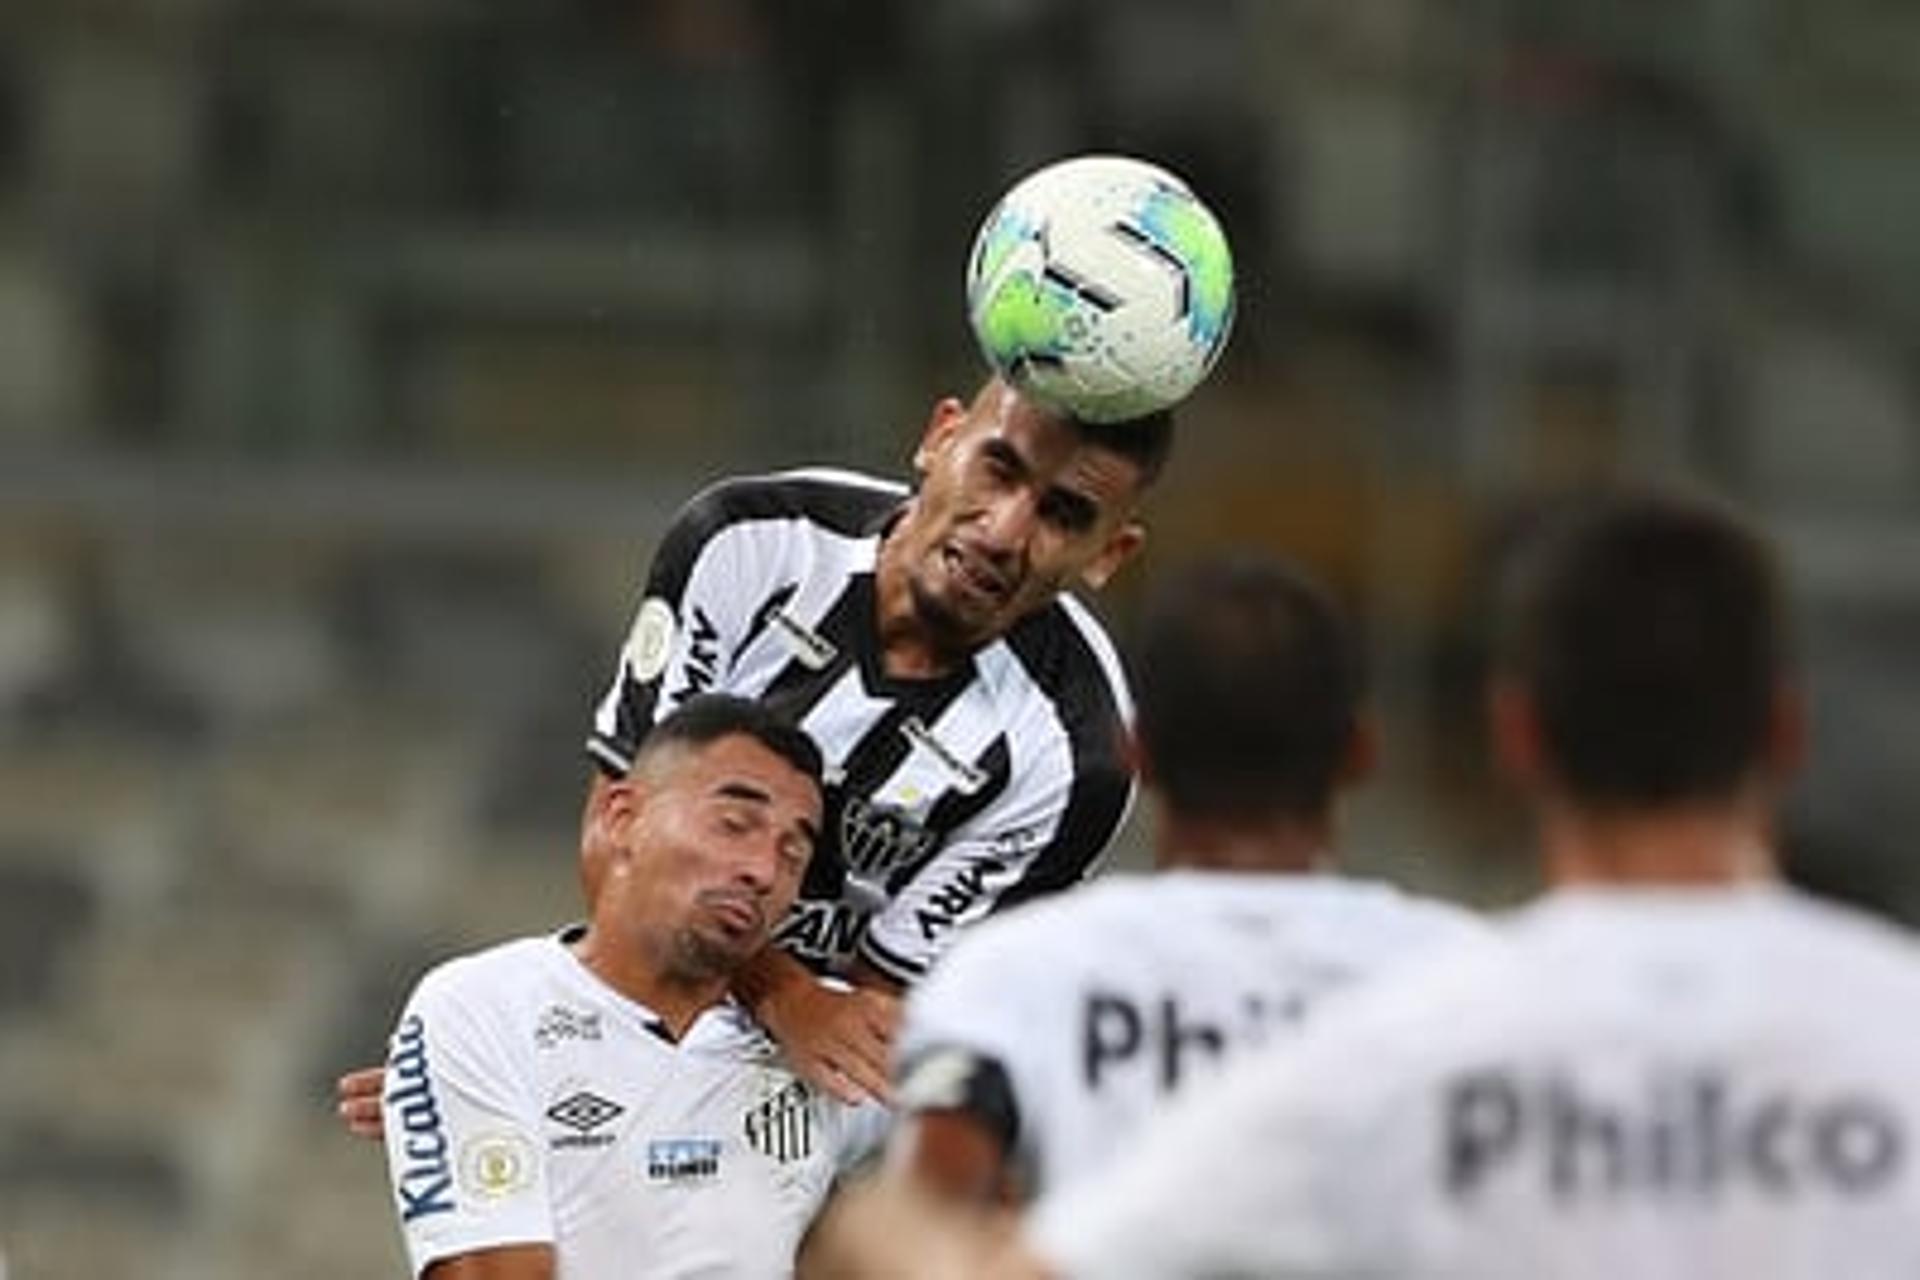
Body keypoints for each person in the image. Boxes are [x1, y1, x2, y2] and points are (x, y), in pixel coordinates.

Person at [1018, 489, 1920, 1279]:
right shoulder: (1899, 1026)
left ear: (1518, 739)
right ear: (1786, 734)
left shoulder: (1395, 1050)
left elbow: (1040, 1264)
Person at [343, 373, 1167, 1129]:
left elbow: (870, 1032)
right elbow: (619, 838)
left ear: (1109, 556)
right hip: (652, 1002)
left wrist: (557, 1097)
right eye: (999, 469)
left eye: (1063, 515)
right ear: (939, 436)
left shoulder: (1078, 752)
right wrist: (773, 999)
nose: (1005, 530)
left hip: (822, 1115)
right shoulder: (751, 543)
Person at [882, 552, 1489, 1207]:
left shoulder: (1015, 974)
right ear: (1359, 754)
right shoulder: (1475, 980)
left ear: (1137, 751)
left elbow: (915, 1229)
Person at [379, 694, 886, 1279]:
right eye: (734, 825)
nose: (764, 871)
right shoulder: (483, 1006)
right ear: (622, 817)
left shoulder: (832, 1048)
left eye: (793, 852)